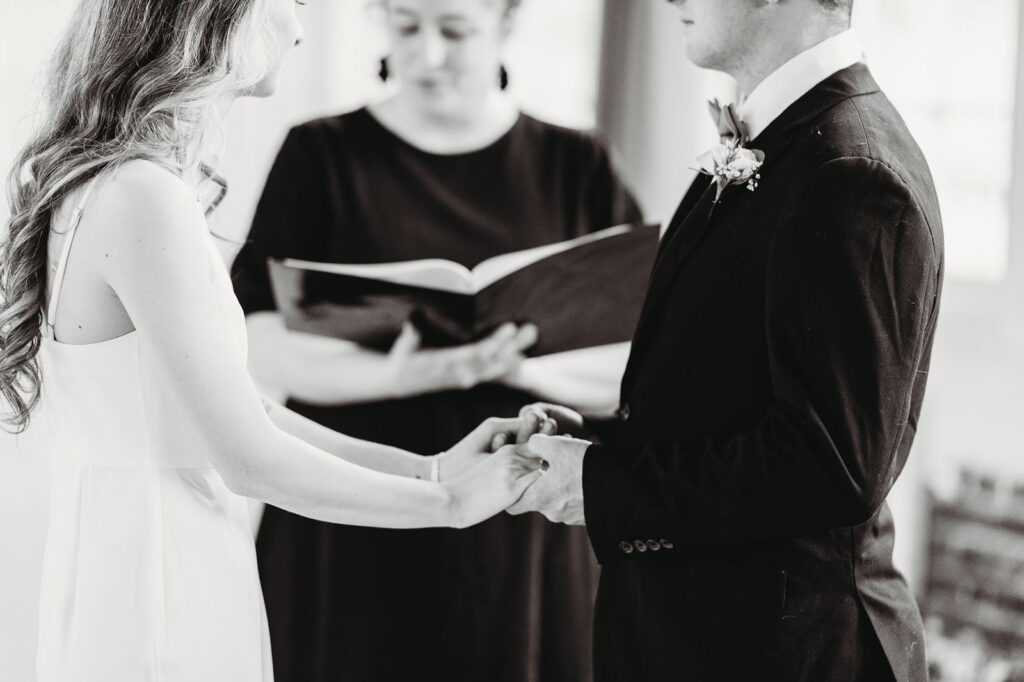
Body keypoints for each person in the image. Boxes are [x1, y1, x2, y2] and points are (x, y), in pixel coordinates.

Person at [0, 1, 548, 680]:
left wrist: (430, 468)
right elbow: (249, 460)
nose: (297, 26)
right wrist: (451, 505)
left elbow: (245, 412)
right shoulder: (142, 196)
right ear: (215, 16)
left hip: (135, 550)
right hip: (158, 574)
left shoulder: (112, 184)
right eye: (284, 1)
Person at [513, 0, 944, 680]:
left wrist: (603, 489)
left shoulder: (854, 171)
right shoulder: (787, 140)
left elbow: (830, 464)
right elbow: (735, 396)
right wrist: (605, 442)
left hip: (784, 654)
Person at [229, 0, 643, 679]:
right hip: (351, 512)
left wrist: (527, 374)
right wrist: (430, 371)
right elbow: (261, 348)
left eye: (454, 29)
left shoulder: (579, 164)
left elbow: (639, 365)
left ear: (507, 25)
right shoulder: (321, 154)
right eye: (406, 24)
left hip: (519, 527)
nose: (429, 53)